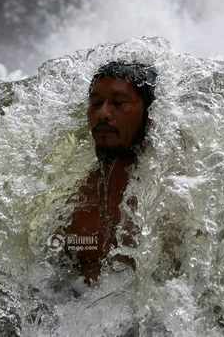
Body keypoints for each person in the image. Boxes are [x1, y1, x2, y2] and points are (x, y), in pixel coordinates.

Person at [64, 61, 157, 285]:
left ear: (151, 113)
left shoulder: (170, 189)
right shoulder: (75, 191)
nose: (103, 113)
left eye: (119, 103)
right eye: (96, 103)